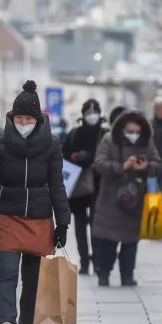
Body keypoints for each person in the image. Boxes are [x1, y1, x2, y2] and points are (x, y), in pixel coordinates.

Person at [0, 80, 71, 324]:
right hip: (6, 215)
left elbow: (57, 184)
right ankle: (8, 322)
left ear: (38, 120)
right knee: (6, 273)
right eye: (19, 117)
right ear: (11, 117)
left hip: (40, 217)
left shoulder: (51, 145)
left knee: (32, 279)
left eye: (28, 118)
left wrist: (63, 221)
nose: (23, 122)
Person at [91, 110, 162, 287]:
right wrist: (122, 166)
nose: (134, 135)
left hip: (135, 198)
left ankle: (127, 275)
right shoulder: (109, 140)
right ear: (122, 129)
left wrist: (146, 166)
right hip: (111, 197)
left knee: (131, 241)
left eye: (137, 132)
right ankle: (104, 273)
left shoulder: (147, 142)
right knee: (109, 240)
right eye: (130, 131)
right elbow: (99, 163)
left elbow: (157, 164)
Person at [62, 99, 106, 274]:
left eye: (95, 112)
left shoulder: (105, 135)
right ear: (83, 115)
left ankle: (97, 260)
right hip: (78, 188)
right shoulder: (74, 134)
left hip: (99, 186)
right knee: (80, 225)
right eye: (88, 113)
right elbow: (64, 156)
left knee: (96, 224)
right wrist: (76, 156)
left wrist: (92, 160)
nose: (92, 116)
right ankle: (84, 261)